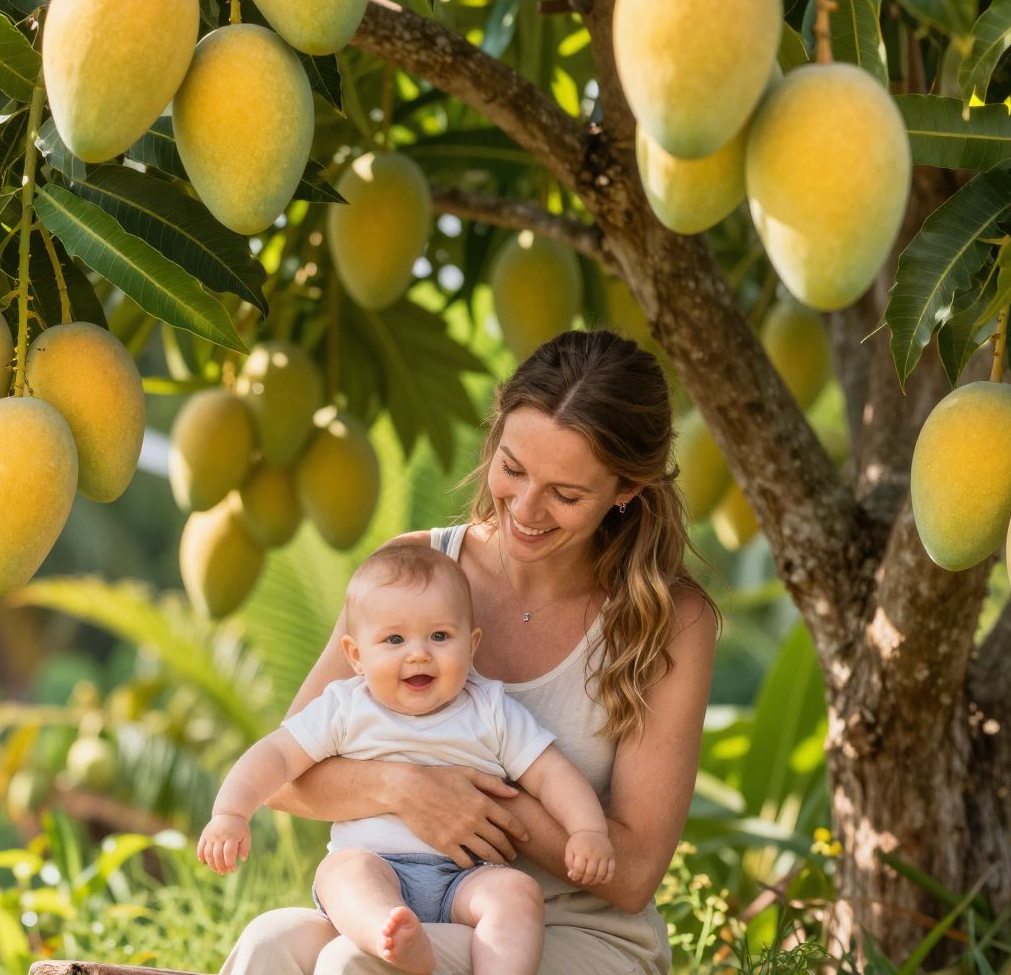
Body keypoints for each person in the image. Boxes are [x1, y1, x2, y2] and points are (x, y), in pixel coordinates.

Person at [221, 329, 721, 975]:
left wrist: (474, 804)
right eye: (512, 468)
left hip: (572, 935)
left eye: (566, 495)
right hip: (403, 902)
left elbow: (633, 876)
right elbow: (288, 776)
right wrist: (406, 787)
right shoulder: (414, 570)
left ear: (627, 489)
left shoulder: (671, 620)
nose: (526, 509)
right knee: (268, 945)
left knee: (355, 964)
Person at [199, 543, 616, 975]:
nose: (418, 653)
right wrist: (230, 813)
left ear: (471, 645)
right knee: (346, 871)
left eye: (439, 636)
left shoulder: (489, 709)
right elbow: (277, 758)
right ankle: (388, 931)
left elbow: (551, 772)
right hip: (377, 864)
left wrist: (586, 829)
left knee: (516, 893)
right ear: (356, 656)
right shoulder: (346, 707)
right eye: (394, 639)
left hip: (464, 879)